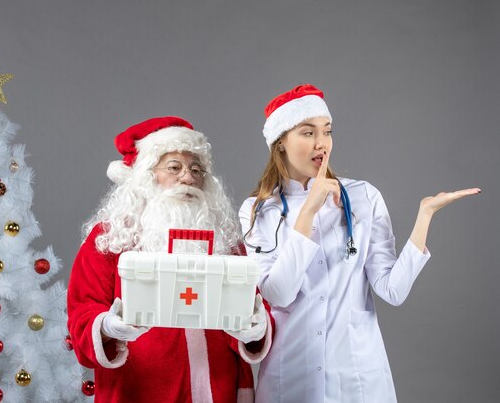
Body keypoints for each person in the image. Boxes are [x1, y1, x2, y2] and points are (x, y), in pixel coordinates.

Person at [239, 84, 480, 403]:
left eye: (327, 131)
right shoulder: (258, 210)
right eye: (307, 133)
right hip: (291, 380)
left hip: (356, 378)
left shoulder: (363, 197)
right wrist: (310, 209)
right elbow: (278, 294)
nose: (321, 143)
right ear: (280, 142)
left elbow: (392, 290)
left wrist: (425, 216)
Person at [67, 117, 273, 403]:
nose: (188, 178)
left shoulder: (225, 241)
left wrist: (256, 327)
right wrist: (106, 327)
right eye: (174, 167)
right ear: (146, 176)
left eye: (196, 169)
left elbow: (251, 308)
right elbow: (82, 309)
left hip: (218, 390)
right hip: (140, 391)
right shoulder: (110, 238)